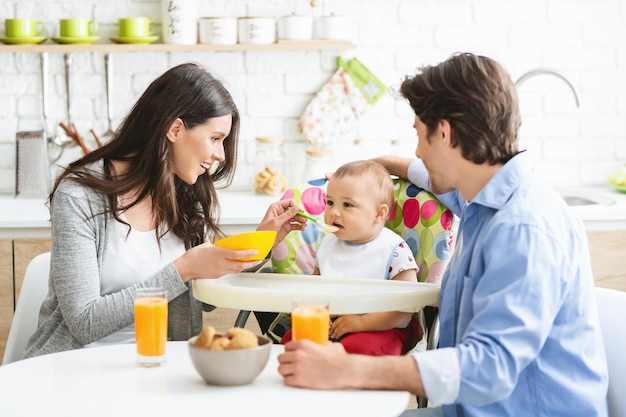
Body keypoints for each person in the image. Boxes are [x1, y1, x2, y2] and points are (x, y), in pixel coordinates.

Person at [277, 53, 609, 416]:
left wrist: (347, 368)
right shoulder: (486, 200)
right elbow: (442, 185)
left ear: (445, 133)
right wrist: (388, 164)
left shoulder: (523, 229)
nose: (417, 150)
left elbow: (490, 368)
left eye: (419, 136)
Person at [24, 63, 306, 358]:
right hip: (73, 369)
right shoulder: (80, 196)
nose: (221, 154)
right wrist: (183, 269)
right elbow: (84, 323)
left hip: (159, 366)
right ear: (175, 129)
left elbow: (204, 298)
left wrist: (261, 244)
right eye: (215, 138)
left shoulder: (186, 193)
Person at [280, 160, 420, 355]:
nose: (334, 212)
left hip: (382, 327)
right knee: (291, 340)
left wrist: (361, 322)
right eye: (330, 202)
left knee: (358, 350)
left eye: (347, 205)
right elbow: (314, 289)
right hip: (333, 325)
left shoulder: (394, 250)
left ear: (379, 214)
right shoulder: (328, 244)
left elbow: (406, 307)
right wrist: (318, 312)